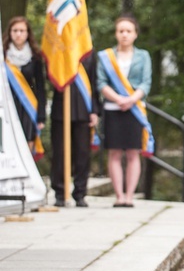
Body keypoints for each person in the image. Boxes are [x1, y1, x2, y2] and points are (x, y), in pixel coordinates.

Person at [97, 16, 152, 208]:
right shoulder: (106, 56)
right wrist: (118, 98)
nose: (124, 34)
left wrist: (131, 99)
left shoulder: (143, 56)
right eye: (121, 31)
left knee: (132, 152)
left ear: (135, 34)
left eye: (128, 31)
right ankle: (118, 195)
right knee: (114, 152)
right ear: (116, 33)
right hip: (113, 108)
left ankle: (129, 196)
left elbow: (146, 82)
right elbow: (101, 82)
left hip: (134, 108)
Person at [50, 52, 101, 207]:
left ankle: (80, 193)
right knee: (59, 153)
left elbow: (94, 82)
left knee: (82, 153)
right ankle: (60, 193)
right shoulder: (59, 49)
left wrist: (95, 110)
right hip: (61, 109)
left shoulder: (88, 54)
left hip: (83, 109)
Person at [3, 16, 46, 156]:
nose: (18, 34)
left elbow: (40, 87)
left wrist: (41, 116)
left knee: (28, 139)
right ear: (9, 33)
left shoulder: (35, 56)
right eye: (15, 30)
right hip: (8, 105)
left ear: (28, 33)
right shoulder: (3, 55)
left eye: (22, 30)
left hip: (28, 106)